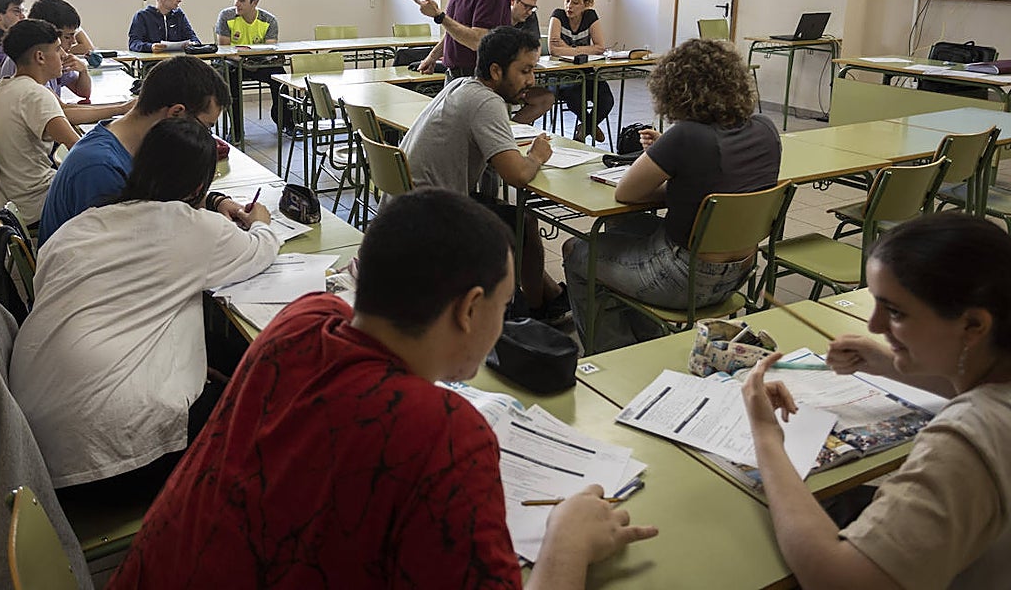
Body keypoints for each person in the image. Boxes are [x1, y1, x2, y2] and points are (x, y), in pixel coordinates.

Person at [107, 188, 657, 589]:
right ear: (469, 309)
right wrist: (567, 545)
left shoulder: (300, 320)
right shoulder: (446, 434)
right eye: (505, 303)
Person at [10, 117, 279, 496]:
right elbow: (261, 250)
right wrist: (262, 221)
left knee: (209, 346)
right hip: (109, 462)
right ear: (200, 186)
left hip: (30, 445)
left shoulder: (82, 224)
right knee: (261, 409)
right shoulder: (193, 227)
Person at [743, 212, 1011, 590]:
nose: (875, 326)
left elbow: (839, 580)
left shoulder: (965, 442)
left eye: (896, 312)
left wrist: (767, 438)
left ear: (973, 326)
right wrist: (890, 363)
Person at [562, 38, 780, 353]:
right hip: (741, 271)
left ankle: (613, 352)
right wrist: (679, 165)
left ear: (675, 89)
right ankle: (647, 340)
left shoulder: (686, 136)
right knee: (622, 230)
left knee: (577, 251)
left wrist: (669, 158)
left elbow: (627, 192)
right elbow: (722, 180)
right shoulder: (766, 128)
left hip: (683, 277)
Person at [402, 26, 566, 319]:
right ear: (495, 70)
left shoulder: (461, 85)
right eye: (524, 71)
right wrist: (537, 156)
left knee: (503, 215)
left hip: (410, 205)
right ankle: (539, 311)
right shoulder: (487, 102)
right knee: (523, 224)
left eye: (533, 70)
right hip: (433, 217)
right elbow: (516, 175)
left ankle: (550, 295)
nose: (532, 80)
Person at [38, 54, 233, 245]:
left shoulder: (135, 142)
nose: (206, 136)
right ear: (176, 113)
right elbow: (124, 256)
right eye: (206, 127)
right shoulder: (100, 168)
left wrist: (215, 202)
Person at [0, 20, 82, 226]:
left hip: (6, 201)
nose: (64, 55)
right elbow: (79, 148)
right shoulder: (35, 94)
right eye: (58, 48)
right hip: (36, 204)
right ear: (40, 57)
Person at [0, 0, 136, 126]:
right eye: (68, 37)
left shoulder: (50, 58)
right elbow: (63, 112)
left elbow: (83, 93)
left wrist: (83, 70)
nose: (74, 42)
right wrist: (121, 108)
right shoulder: (27, 63)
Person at [215, 0, 292, 138]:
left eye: (242, 0)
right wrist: (242, 60)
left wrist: (263, 60)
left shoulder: (268, 20)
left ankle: (285, 121)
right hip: (234, 63)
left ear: (254, 2)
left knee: (279, 74)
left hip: (258, 63)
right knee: (231, 78)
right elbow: (224, 49)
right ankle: (236, 130)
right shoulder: (226, 16)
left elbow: (270, 49)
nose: (237, 4)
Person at [547, 0, 614, 143]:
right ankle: (590, 128)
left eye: (575, 2)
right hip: (562, 75)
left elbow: (600, 47)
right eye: (567, 0)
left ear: (586, 4)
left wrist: (569, 49)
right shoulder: (558, 16)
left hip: (586, 72)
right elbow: (553, 50)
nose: (569, 6)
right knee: (575, 97)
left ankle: (584, 128)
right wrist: (582, 51)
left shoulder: (590, 16)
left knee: (606, 99)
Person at [509, 0, 554, 125]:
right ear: (513, 0)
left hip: (518, 80)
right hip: (500, 82)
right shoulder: (498, 15)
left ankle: (513, 130)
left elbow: (536, 49)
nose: (529, 11)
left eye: (533, 8)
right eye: (525, 6)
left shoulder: (530, 17)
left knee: (546, 99)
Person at [127, 0, 201, 53]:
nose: (179, 0)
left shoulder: (179, 15)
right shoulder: (142, 16)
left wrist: (193, 44)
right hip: (154, 63)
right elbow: (133, 43)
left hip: (179, 61)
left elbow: (193, 38)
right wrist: (150, 47)